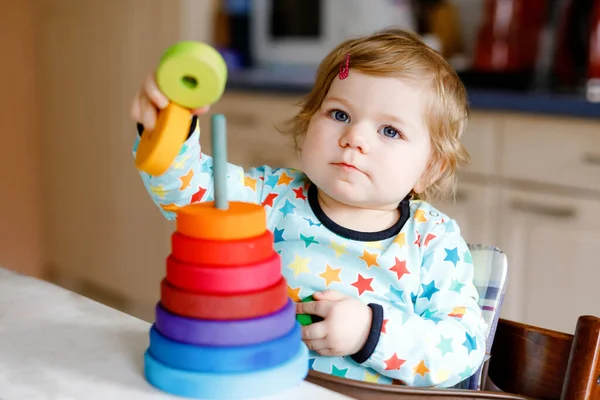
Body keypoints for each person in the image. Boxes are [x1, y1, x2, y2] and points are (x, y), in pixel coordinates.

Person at [130, 28, 487, 388]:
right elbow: (189, 191)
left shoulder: (432, 240)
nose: (355, 138)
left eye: (390, 131)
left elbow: (463, 348)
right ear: (309, 119)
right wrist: (165, 131)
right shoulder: (271, 197)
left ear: (429, 169)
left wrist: (370, 331)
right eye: (340, 115)